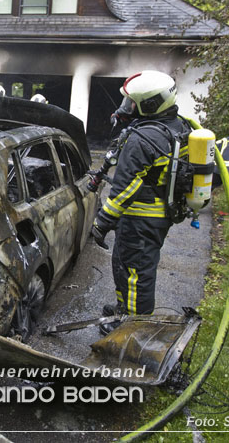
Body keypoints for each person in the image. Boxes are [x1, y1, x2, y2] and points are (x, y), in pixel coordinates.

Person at [89, 70, 191, 333]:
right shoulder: (177, 126)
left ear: (150, 104)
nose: (127, 107)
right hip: (157, 215)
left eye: (132, 102)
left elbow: (126, 187)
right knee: (125, 266)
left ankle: (132, 329)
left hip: (141, 218)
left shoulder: (143, 139)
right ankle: (124, 310)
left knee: (136, 274)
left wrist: (102, 222)